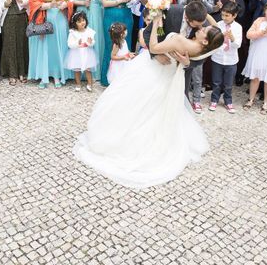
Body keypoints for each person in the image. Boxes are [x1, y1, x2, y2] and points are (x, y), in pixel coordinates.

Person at [73, 11, 224, 189]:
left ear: (205, 40)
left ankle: (129, 137)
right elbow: (216, 28)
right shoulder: (206, 47)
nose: (202, 26)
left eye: (204, 30)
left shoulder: (181, 41)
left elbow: (152, 47)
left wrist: (156, 23)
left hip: (156, 70)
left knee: (135, 101)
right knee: (155, 106)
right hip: (167, 73)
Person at [28, 0, 73, 89]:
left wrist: (65, 5)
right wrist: (48, 5)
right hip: (44, 17)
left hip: (59, 17)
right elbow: (33, 2)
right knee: (44, 46)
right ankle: (44, 74)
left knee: (58, 45)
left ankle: (57, 74)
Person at [100, 0, 133, 86]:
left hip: (125, 15)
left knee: (126, 44)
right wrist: (121, 0)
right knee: (110, 44)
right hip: (111, 15)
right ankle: (107, 77)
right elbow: (105, 2)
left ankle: (125, 77)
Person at [71, 0, 104, 81]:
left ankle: (95, 72)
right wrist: (82, 3)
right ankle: (82, 72)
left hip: (96, 13)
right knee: (82, 40)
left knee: (95, 40)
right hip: (82, 14)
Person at [0, 0, 30, 85]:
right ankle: (12, 73)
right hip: (8, 18)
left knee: (22, 44)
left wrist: (22, 1)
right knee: (10, 46)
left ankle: (22, 72)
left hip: (22, 17)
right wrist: (5, 4)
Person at [210, 2, 242, 113]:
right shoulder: (218, 24)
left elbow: (238, 45)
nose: (224, 18)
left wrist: (232, 38)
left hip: (231, 60)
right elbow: (213, 41)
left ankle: (228, 101)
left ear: (234, 15)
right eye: (223, 15)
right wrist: (220, 37)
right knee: (216, 81)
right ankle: (214, 99)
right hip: (218, 58)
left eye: (227, 15)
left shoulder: (238, 27)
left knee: (228, 84)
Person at [64, 11, 97, 92]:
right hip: (76, 53)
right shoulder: (72, 32)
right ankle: (78, 84)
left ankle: (89, 83)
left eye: (83, 20)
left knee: (88, 69)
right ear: (75, 23)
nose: (82, 23)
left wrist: (90, 43)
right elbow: (69, 44)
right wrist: (76, 43)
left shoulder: (89, 31)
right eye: (79, 21)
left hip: (87, 53)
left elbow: (93, 42)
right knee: (77, 70)